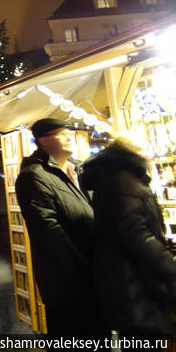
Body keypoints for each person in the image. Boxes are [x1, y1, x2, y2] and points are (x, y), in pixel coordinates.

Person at [81, 137, 176, 340]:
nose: (149, 153)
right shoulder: (123, 181)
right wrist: (169, 264)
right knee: (141, 339)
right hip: (131, 279)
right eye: (143, 148)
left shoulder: (120, 178)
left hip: (127, 276)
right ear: (129, 153)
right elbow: (134, 231)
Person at [15, 118, 102, 338]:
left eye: (69, 132)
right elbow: (49, 233)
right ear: (43, 141)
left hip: (93, 278)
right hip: (68, 283)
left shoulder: (77, 172)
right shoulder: (34, 176)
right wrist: (86, 266)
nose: (69, 136)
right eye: (60, 134)